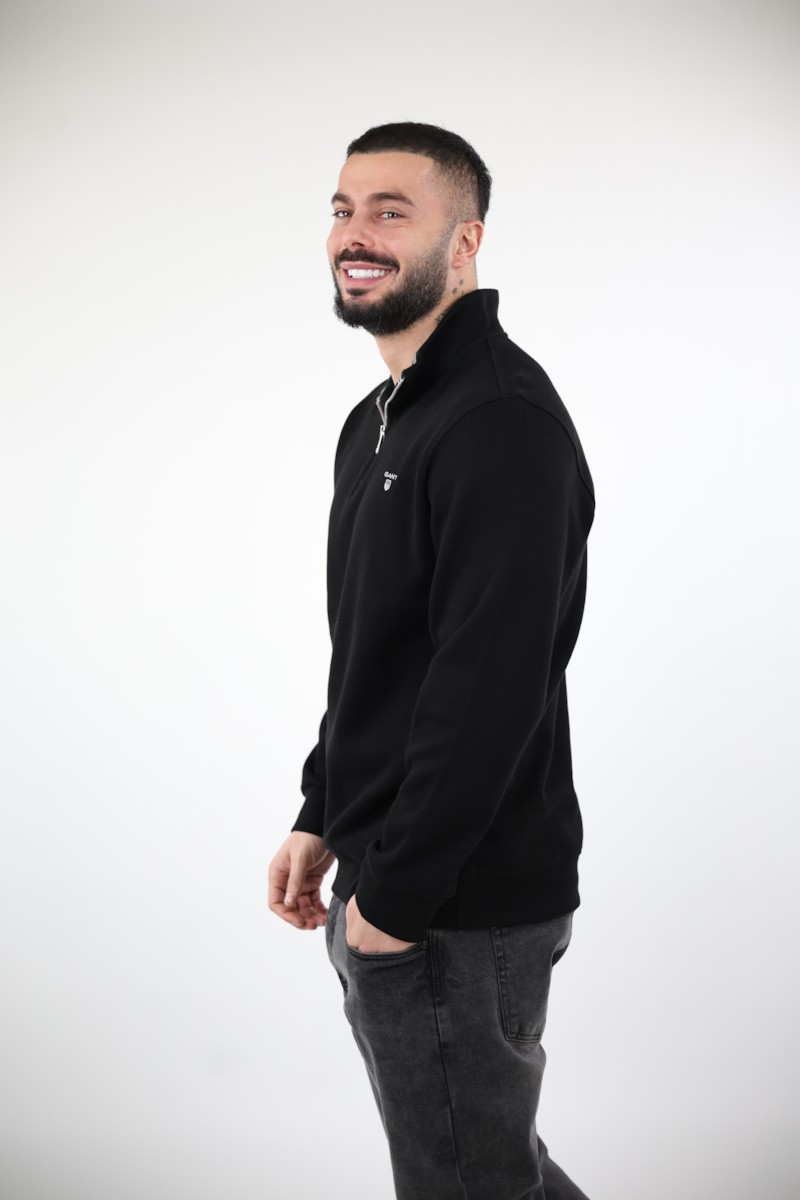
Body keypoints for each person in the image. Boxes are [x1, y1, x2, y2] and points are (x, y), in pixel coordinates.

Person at [268, 121, 595, 1200]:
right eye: (342, 209)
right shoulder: (382, 417)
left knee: (465, 1184)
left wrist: (396, 901)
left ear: (466, 242)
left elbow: (487, 687)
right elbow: (376, 649)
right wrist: (324, 809)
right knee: (487, 1174)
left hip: (455, 899)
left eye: (391, 211)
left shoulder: (498, 422)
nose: (354, 234)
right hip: (394, 874)